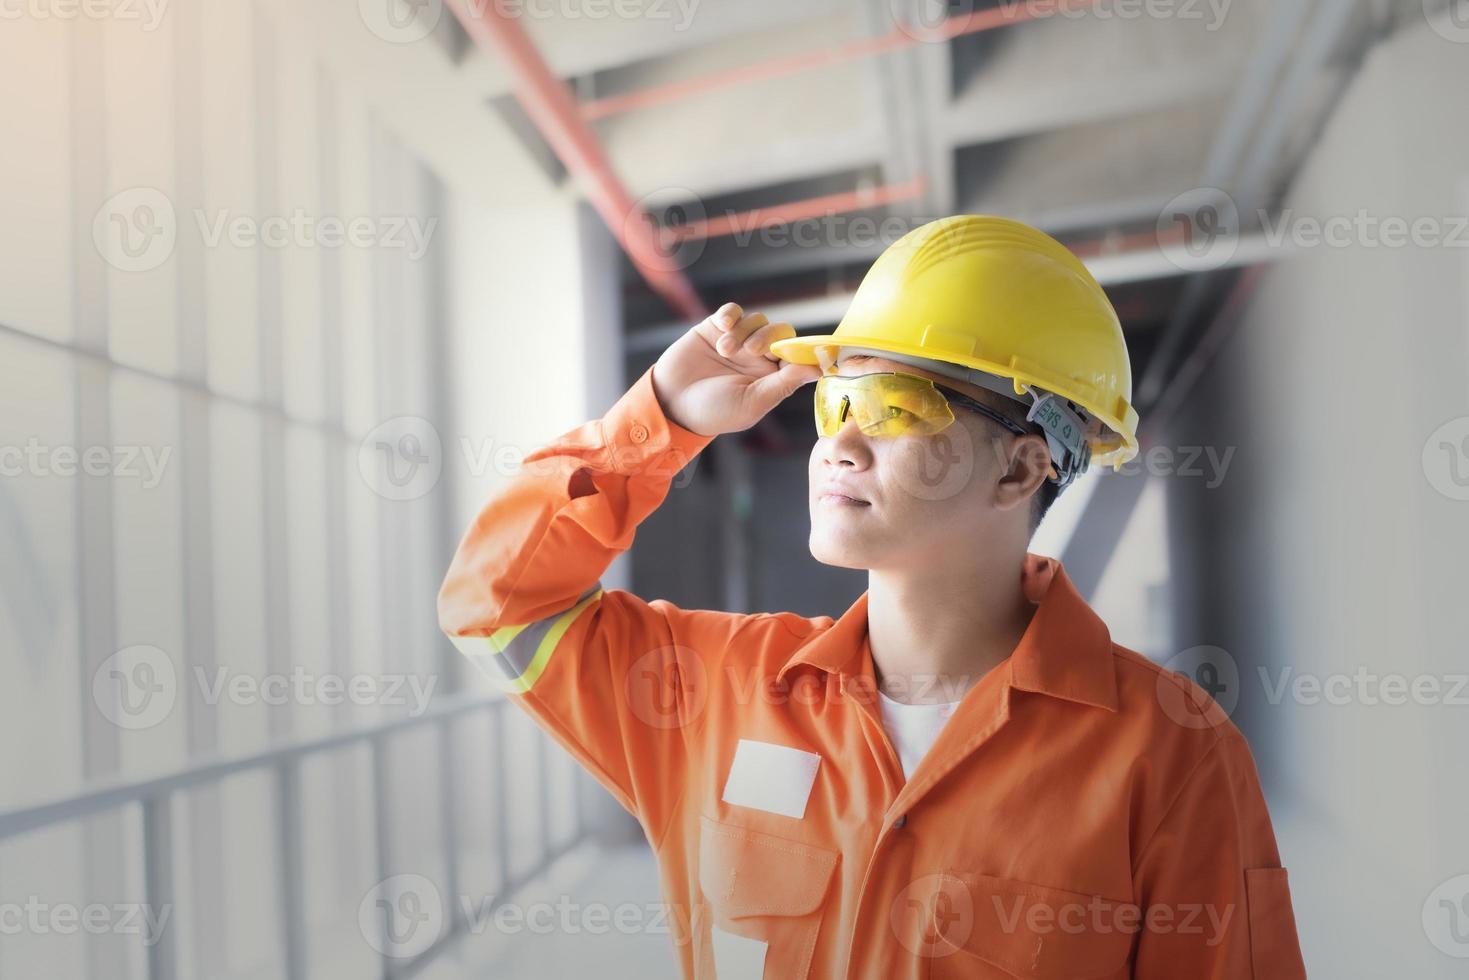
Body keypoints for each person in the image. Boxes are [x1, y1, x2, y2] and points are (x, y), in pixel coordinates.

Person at [437, 215, 1307, 978]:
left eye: (891, 407)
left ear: (1018, 467)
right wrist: (660, 417)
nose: (839, 444)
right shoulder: (712, 695)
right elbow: (493, 600)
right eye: (833, 403)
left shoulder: (1169, 757)